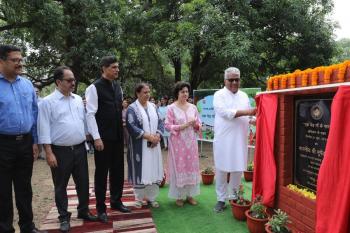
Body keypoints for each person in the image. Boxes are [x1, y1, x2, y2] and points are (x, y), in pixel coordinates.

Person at [37, 66, 98, 232]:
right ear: (58, 82)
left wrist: (89, 136)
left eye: (73, 79)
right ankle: (64, 217)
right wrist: (48, 153)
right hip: (59, 151)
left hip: (79, 149)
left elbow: (83, 122)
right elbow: (43, 128)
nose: (73, 82)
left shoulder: (78, 99)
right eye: (69, 80)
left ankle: (83, 211)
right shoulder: (47, 102)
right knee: (60, 185)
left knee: (83, 182)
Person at [0, 45, 46, 233]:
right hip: (2, 144)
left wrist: (35, 141)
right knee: (2, 190)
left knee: (24, 188)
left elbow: (34, 115)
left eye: (21, 60)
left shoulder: (27, 85)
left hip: (25, 142)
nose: (20, 63)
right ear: (1, 61)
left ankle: (28, 227)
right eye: (15, 60)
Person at [85, 56, 130, 223]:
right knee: (102, 173)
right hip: (102, 138)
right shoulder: (93, 88)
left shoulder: (118, 86)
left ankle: (116, 201)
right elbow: (90, 114)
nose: (117, 70)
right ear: (103, 68)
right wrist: (96, 138)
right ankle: (100, 208)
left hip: (118, 136)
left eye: (118, 67)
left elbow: (119, 111)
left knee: (118, 171)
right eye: (113, 67)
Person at [213, 67, 256, 213]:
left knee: (237, 168)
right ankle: (221, 199)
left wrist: (255, 120)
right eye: (231, 79)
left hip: (239, 139)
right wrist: (247, 112)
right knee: (222, 168)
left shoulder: (244, 96)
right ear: (225, 80)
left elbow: (248, 116)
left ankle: (233, 196)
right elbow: (225, 113)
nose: (234, 82)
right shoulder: (219, 95)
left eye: (236, 79)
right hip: (224, 139)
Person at [126, 83, 163, 208]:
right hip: (139, 147)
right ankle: (139, 198)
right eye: (145, 92)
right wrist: (148, 136)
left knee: (153, 169)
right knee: (140, 171)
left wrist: (157, 136)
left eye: (149, 92)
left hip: (154, 145)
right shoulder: (132, 108)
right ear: (138, 93)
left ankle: (152, 198)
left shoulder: (153, 106)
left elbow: (160, 122)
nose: (148, 94)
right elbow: (131, 126)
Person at [165, 81, 201, 207]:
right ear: (177, 93)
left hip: (191, 142)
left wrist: (196, 125)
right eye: (182, 92)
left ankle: (190, 195)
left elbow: (198, 124)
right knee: (179, 167)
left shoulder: (193, 107)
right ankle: (179, 196)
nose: (185, 94)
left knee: (191, 166)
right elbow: (167, 126)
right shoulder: (171, 108)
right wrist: (183, 126)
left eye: (186, 91)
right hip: (178, 144)